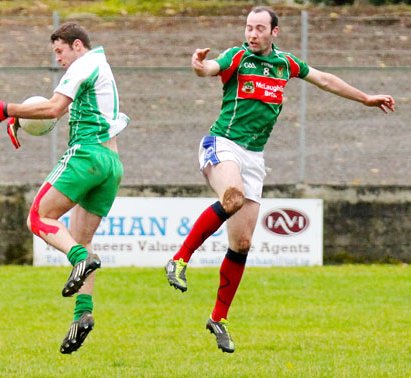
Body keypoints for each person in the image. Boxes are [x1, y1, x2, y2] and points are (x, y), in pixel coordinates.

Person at [165, 6, 395, 353]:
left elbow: (324, 79)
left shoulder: (285, 64)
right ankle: (179, 259)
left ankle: (218, 319)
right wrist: (200, 66)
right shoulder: (237, 57)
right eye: (248, 27)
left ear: (274, 33)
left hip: (254, 158)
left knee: (241, 243)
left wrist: (365, 98)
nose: (252, 34)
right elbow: (210, 68)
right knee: (233, 197)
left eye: (259, 28)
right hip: (223, 144)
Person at [0, 22, 129, 354]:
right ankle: (83, 313)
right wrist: (20, 119)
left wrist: (7, 110)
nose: (59, 59)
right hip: (112, 164)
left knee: (38, 217)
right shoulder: (101, 66)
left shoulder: (84, 64)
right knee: (82, 238)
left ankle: (79, 259)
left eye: (60, 52)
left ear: (77, 45)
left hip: (87, 154)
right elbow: (58, 112)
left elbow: (53, 108)